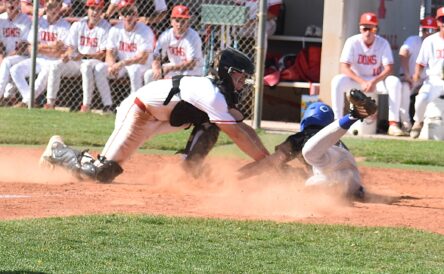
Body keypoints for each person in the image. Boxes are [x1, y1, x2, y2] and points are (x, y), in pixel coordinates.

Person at [40, 47, 270, 183]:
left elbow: (243, 128)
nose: (242, 83)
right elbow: (238, 136)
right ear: (225, 72)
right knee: (101, 172)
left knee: (214, 123)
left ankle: (191, 168)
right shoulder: (211, 94)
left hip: (161, 118)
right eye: (240, 77)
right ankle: (57, 151)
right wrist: (266, 161)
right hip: (140, 112)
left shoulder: (219, 98)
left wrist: (267, 158)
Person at [238, 89, 377, 201]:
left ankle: (354, 115)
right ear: (329, 124)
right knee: (311, 173)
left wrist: (238, 175)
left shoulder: (300, 138)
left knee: (308, 155)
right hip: (352, 181)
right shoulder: (337, 140)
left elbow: (271, 163)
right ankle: (352, 116)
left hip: (326, 179)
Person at [330, 12, 406, 136]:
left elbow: (389, 68)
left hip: (375, 81)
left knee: (394, 82)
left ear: (376, 29)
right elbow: (344, 67)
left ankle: (393, 123)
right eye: (365, 28)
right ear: (360, 28)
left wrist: (373, 81)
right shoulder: (352, 41)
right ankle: (337, 122)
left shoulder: (383, 43)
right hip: (357, 80)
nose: (368, 32)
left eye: (371, 28)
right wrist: (362, 81)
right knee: (337, 81)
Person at [44, 0, 111, 111]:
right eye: (92, 9)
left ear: (102, 11)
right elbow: (71, 47)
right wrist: (66, 55)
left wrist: (84, 55)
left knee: (86, 66)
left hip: (94, 61)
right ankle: (50, 102)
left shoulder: (105, 27)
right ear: (87, 10)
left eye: (98, 9)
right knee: (55, 65)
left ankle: (86, 105)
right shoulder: (78, 24)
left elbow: (102, 54)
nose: (95, 12)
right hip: (77, 60)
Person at [93, 3, 155, 111]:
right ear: (120, 15)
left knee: (134, 70)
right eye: (124, 13)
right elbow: (110, 52)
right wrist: (111, 65)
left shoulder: (145, 31)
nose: (128, 17)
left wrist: (121, 64)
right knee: (100, 69)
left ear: (136, 15)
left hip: (142, 65)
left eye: (131, 13)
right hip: (123, 64)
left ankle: (135, 107)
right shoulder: (115, 30)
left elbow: (143, 58)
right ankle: (108, 105)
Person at [10, 0, 70, 108]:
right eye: (50, 7)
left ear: (60, 7)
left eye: (55, 7)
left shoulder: (65, 25)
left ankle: (25, 102)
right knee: (15, 70)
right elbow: (30, 46)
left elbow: (59, 51)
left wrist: (40, 47)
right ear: (46, 7)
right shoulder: (39, 21)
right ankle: (30, 101)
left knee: (43, 76)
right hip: (38, 59)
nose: (52, 10)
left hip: (53, 62)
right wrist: (51, 47)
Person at [143, 5, 203, 85]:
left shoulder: (193, 37)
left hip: (192, 72)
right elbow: (156, 55)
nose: (179, 24)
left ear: (188, 22)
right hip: (174, 68)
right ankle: (150, 97)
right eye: (177, 20)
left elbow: (191, 64)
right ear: (171, 21)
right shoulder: (166, 35)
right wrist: (156, 68)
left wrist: (170, 68)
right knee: (149, 74)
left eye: (183, 21)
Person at [398, 16, 438, 132]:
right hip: (411, 79)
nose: (427, 33)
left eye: (431, 30)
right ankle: (406, 124)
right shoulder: (414, 40)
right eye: (425, 30)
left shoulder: (436, 43)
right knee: (404, 89)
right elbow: (403, 52)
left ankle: (426, 126)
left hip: (428, 81)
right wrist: (406, 74)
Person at [410, 7, 444, 139]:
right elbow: (420, 62)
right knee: (421, 99)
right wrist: (417, 75)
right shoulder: (430, 41)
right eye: (442, 19)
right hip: (434, 79)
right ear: (437, 22)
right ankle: (418, 122)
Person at [0, 0, 31, 105]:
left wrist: (5, 57)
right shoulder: (1, 19)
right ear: (3, 4)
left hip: (22, 56)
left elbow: (22, 47)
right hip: (5, 55)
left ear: (18, 4)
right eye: (8, 2)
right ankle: (9, 97)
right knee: (6, 63)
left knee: (7, 62)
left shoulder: (26, 20)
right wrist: (1, 56)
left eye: (13, 2)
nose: (11, 4)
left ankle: (3, 95)